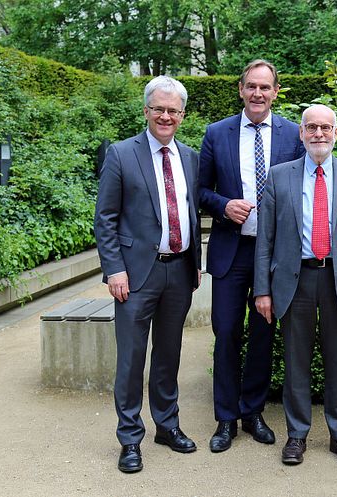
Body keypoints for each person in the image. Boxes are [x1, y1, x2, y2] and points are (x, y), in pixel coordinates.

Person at [254, 104, 337, 466]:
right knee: (296, 361)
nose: (318, 133)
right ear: (302, 133)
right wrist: (262, 290)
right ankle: (297, 435)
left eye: (325, 127)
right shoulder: (278, 176)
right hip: (295, 281)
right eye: (311, 127)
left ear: (336, 133)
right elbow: (266, 239)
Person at [94, 76, 202, 473]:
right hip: (136, 276)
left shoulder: (189, 157)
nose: (166, 116)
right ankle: (129, 438)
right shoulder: (122, 154)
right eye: (159, 108)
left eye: (173, 110)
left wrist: (195, 263)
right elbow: (105, 218)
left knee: (168, 355)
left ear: (182, 115)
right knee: (131, 359)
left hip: (179, 272)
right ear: (146, 111)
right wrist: (114, 270)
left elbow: (189, 211)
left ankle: (167, 426)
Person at [199, 60, 306, 453]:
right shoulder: (217, 133)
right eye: (251, 87)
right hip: (232, 250)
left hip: (275, 254)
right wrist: (224, 205)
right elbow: (199, 190)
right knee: (226, 332)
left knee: (263, 333)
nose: (258, 94)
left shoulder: (294, 134)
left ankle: (253, 412)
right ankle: (225, 418)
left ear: (276, 91)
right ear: (240, 89)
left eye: (265, 87)